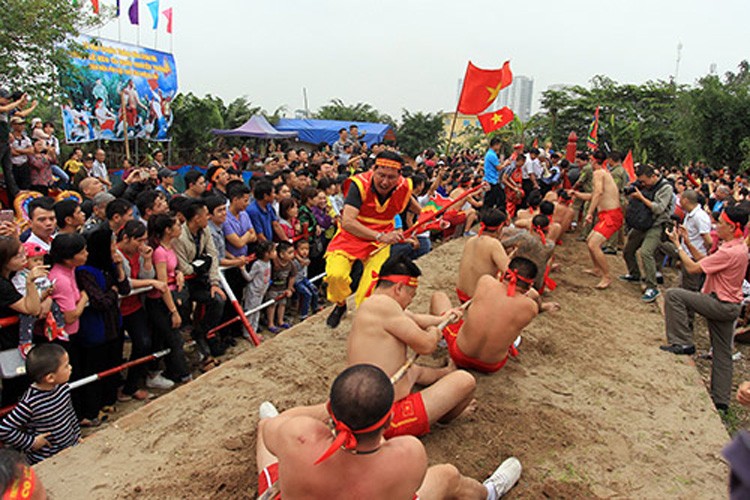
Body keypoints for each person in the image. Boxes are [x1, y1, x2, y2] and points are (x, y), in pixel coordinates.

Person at [256, 364, 521, 499]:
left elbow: (271, 433)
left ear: (329, 408)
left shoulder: (298, 433)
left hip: (302, 476)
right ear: (389, 420)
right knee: (447, 475)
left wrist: (326, 423)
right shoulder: (408, 452)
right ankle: (489, 493)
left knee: (270, 430)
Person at [347, 254, 475, 439]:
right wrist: (434, 332)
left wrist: (444, 318)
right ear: (399, 288)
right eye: (411, 294)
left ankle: (445, 373)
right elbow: (426, 345)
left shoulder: (375, 304)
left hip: (367, 400)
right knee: (465, 380)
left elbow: (412, 318)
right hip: (384, 418)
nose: (411, 300)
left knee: (413, 369)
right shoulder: (384, 307)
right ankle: (445, 416)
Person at [661, 206, 749, 412]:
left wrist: (678, 247)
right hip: (732, 306)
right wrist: (688, 243)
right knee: (723, 353)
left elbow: (692, 268)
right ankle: (721, 402)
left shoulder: (729, 251)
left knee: (674, 295)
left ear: (731, 226)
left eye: (720, 223)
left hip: (719, 304)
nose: (716, 226)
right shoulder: (739, 247)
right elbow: (705, 262)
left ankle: (682, 342)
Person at [325, 151, 418, 328]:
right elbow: (348, 222)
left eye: (391, 177)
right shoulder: (359, 185)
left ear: (399, 176)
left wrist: (437, 215)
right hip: (351, 236)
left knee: (371, 284)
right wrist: (380, 236)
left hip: (381, 240)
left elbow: (418, 208)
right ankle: (340, 304)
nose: (385, 181)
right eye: (381, 175)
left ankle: (363, 323)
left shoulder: (404, 186)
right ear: (373, 169)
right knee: (335, 274)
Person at [433, 257, 540, 373]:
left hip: (460, 354)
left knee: (439, 297)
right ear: (529, 286)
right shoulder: (531, 308)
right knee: (511, 334)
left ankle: (442, 341)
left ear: (506, 274)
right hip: (492, 365)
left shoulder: (485, 282)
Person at [75, 228, 130, 424]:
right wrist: (113, 293)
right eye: (111, 244)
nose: (115, 248)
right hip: (95, 328)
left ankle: (108, 400)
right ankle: (92, 410)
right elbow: (100, 301)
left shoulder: (108, 265)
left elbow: (124, 288)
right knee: (94, 369)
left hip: (114, 324)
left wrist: (120, 269)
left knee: (112, 363)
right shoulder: (84, 271)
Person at [116, 220, 172, 396]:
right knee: (116, 351)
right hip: (118, 308)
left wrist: (147, 261)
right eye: (139, 240)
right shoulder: (117, 255)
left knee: (143, 343)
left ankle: (132, 385)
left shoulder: (139, 253)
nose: (142, 245)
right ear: (126, 238)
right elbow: (125, 283)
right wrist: (151, 282)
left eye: (144, 240)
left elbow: (145, 275)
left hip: (134, 306)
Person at [0, 344, 80, 465]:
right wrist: (31, 442)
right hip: (45, 460)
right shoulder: (30, 402)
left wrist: (77, 436)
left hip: (70, 451)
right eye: (66, 366)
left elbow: (69, 413)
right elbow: (4, 429)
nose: (70, 368)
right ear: (50, 377)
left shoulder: (62, 387)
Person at [172, 199, 227, 358]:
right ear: (197, 218)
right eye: (206, 215)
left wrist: (214, 281)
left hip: (202, 279)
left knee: (218, 299)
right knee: (184, 311)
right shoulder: (180, 237)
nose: (208, 218)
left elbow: (213, 255)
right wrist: (203, 263)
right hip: (184, 283)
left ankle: (202, 333)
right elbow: (185, 267)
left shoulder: (205, 231)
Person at [0, 237, 47, 406]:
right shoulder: (3, 285)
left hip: (15, 339)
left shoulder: (11, 276)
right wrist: (30, 282)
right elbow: (32, 309)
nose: (24, 260)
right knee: (14, 386)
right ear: (5, 260)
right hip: (7, 343)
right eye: (18, 256)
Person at [146, 214, 191, 384]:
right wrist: (173, 311)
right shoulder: (159, 252)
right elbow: (163, 284)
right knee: (174, 338)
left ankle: (166, 371)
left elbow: (173, 270)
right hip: (161, 301)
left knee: (167, 338)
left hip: (172, 296)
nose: (180, 227)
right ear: (167, 229)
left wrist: (178, 273)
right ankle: (180, 374)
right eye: (177, 225)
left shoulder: (170, 247)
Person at [620, 164, 675, 303]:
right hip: (642, 222)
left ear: (653, 176)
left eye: (644, 181)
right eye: (641, 181)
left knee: (646, 252)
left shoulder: (665, 188)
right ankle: (634, 274)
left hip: (656, 225)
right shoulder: (643, 185)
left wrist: (641, 197)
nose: (643, 184)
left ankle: (652, 286)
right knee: (628, 250)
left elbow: (659, 208)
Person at [578, 150, 624, 289]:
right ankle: (597, 269)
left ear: (593, 161)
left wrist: (589, 213)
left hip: (611, 215)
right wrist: (577, 194)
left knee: (593, 244)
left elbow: (598, 193)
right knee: (590, 240)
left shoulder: (598, 173)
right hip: (607, 214)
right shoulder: (604, 173)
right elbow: (594, 195)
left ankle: (606, 276)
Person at [455, 209, 509, 303]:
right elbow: (508, 273)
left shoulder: (471, 240)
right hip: (477, 299)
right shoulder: (493, 244)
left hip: (461, 294)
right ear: (500, 227)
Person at [241, 240, 275, 334]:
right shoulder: (257, 264)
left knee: (257, 311)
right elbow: (249, 277)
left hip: (261, 291)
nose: (275, 253)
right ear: (266, 253)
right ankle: (247, 333)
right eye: (273, 251)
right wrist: (242, 269)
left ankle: (254, 331)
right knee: (250, 312)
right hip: (253, 292)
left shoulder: (268, 262)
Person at [265, 241, 296, 334]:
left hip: (283, 288)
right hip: (272, 288)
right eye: (289, 253)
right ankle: (270, 323)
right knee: (272, 305)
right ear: (282, 254)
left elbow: (292, 276)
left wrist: (289, 288)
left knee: (282, 304)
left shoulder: (291, 264)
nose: (292, 255)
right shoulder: (275, 262)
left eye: (293, 252)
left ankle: (280, 321)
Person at [293, 239, 320, 320]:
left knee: (314, 289)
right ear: (297, 250)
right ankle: (303, 314)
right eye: (302, 249)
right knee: (307, 293)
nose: (305, 251)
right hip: (297, 281)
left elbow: (307, 262)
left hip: (304, 279)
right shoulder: (294, 261)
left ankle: (315, 307)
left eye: (307, 249)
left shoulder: (306, 258)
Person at [482, 137, 505, 211]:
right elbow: (499, 167)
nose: (499, 148)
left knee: (498, 198)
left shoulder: (491, 154)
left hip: (493, 180)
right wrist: (506, 163)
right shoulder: (491, 155)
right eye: (499, 146)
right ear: (495, 145)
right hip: (491, 180)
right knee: (490, 200)